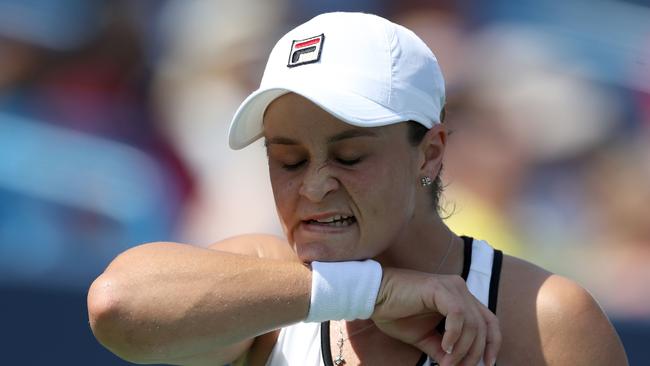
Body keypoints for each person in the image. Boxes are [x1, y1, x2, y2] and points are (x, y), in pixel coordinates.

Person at [87, 12, 628, 366]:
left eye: (349, 155)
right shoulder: (266, 287)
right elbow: (118, 304)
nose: (315, 186)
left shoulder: (547, 320)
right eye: (288, 160)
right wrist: (375, 291)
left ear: (431, 152)